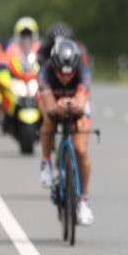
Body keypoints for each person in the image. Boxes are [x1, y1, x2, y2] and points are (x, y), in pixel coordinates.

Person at [37, 39, 94, 226]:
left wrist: (73, 104)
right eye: (60, 72)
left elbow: (80, 101)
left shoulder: (84, 71)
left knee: (81, 150)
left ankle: (83, 200)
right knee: (49, 119)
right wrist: (58, 106)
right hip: (54, 102)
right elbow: (50, 107)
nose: (65, 77)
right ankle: (46, 163)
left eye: (70, 73)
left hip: (77, 107)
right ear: (53, 65)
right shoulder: (44, 72)